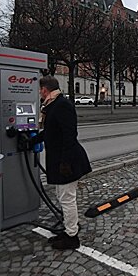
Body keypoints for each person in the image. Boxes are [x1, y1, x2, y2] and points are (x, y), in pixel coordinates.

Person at [31, 76, 92, 250]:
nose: (39, 94)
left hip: (67, 161)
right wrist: (32, 141)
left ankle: (72, 237)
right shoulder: (52, 105)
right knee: (62, 196)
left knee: (67, 199)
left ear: (44, 89)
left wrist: (65, 162)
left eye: (39, 90)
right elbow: (50, 132)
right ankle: (68, 230)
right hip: (61, 160)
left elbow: (69, 135)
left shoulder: (61, 105)